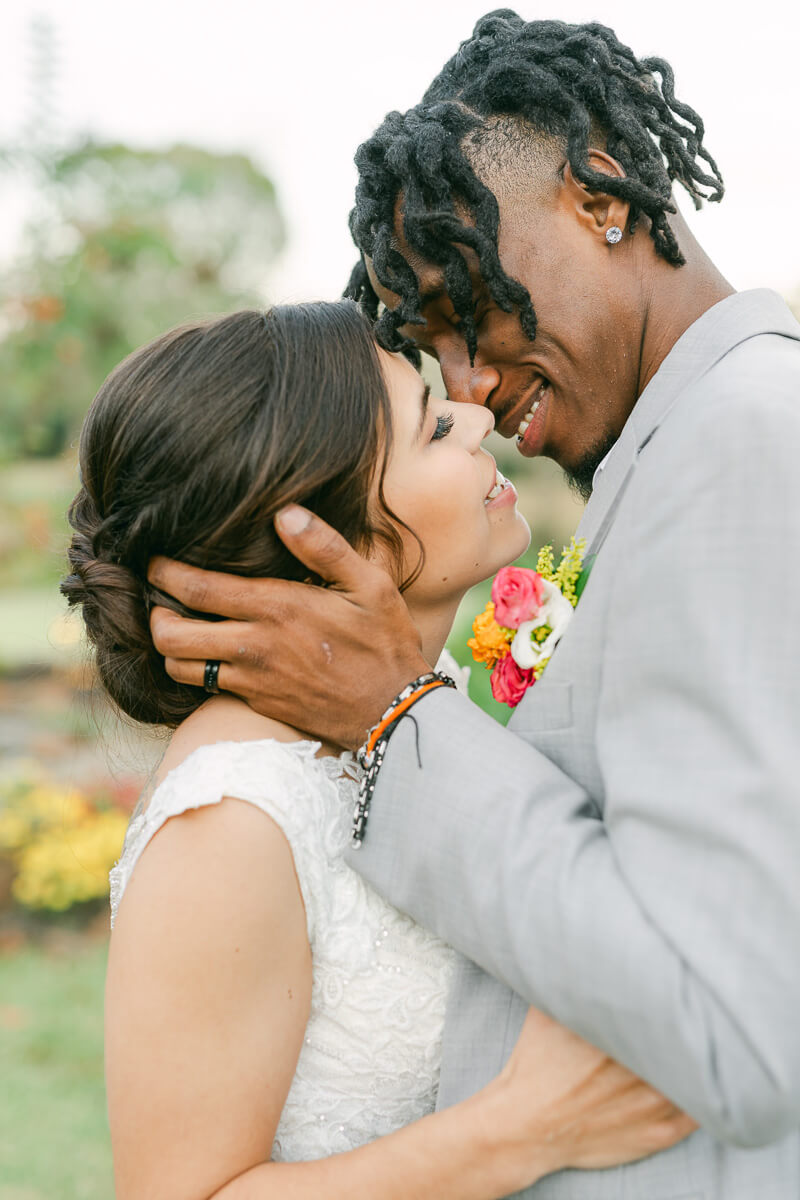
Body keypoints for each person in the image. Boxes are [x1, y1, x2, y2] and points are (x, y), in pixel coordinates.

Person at [148, 13, 800, 1200]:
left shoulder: (739, 440)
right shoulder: (668, 456)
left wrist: (397, 719)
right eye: (428, 352)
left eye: (468, 312)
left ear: (598, 194)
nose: (469, 390)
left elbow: (733, 1027)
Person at [62, 302, 691, 1199]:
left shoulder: (418, 704)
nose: (477, 416)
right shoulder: (235, 817)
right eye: (433, 427)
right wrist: (522, 1132)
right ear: (315, 535)